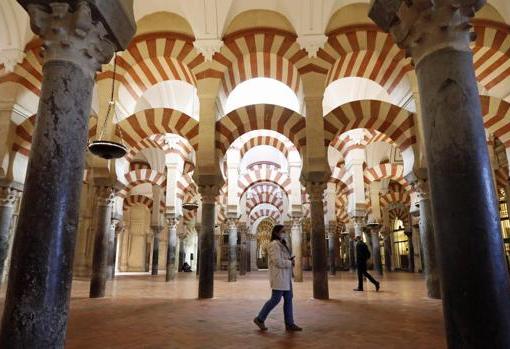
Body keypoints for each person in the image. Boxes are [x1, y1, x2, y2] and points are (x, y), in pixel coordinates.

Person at [253, 225, 302, 331]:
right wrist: (289, 262)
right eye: (282, 231)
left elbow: (281, 259)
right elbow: (277, 262)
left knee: (288, 299)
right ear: (276, 233)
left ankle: (289, 323)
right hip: (279, 277)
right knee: (275, 299)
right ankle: (260, 318)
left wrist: (289, 260)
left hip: (285, 277)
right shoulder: (273, 245)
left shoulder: (281, 244)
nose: (284, 233)